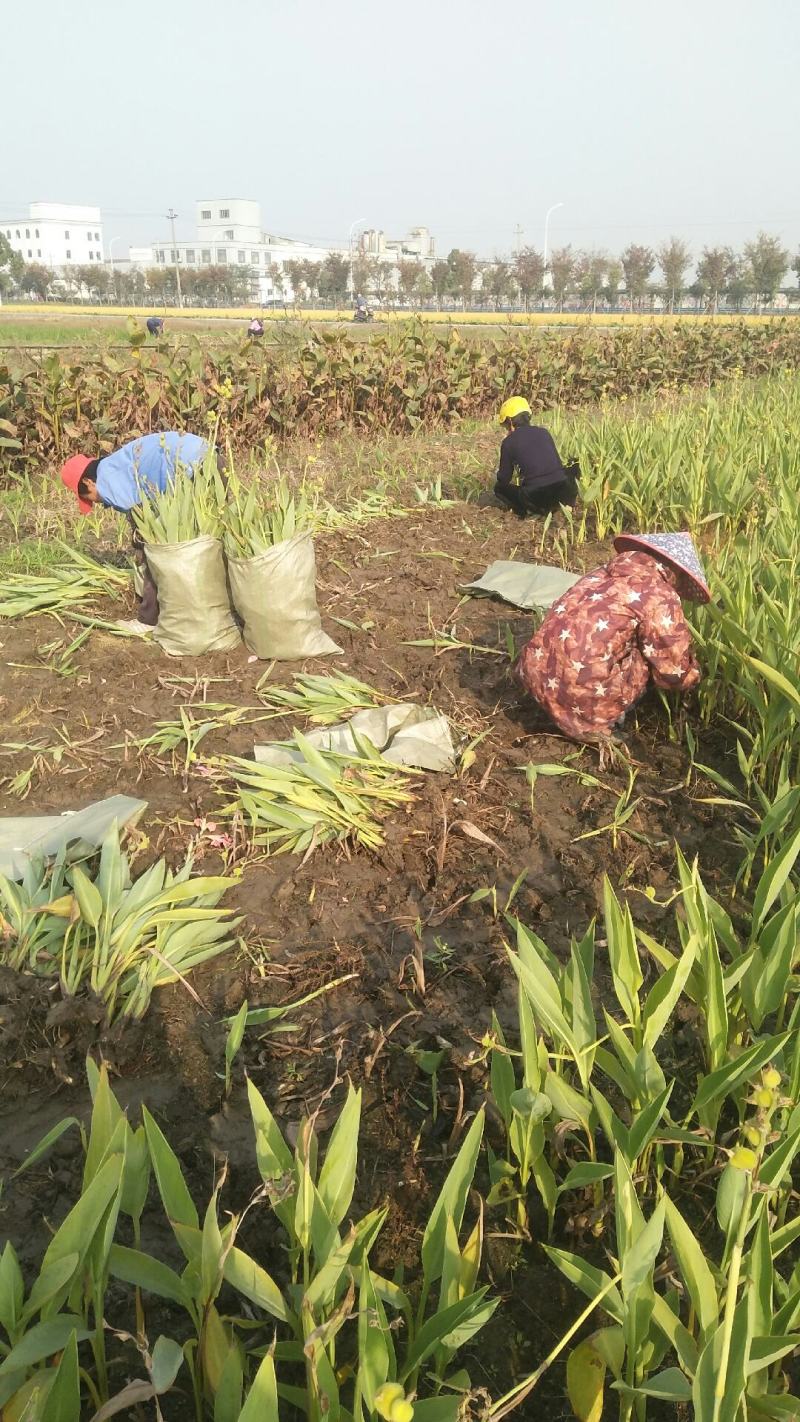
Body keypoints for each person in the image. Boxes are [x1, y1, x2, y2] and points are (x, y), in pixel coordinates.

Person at [515, 532, 708, 755]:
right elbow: (673, 671)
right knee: (648, 654)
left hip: (531, 673)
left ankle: (557, 704)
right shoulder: (659, 594)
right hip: (581, 696)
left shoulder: (600, 573)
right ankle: (598, 722)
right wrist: (696, 677)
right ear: (677, 573)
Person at [59, 432, 211, 631]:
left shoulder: (107, 479)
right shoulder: (118, 464)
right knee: (209, 541)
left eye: (89, 497)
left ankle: (148, 620)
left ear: (88, 482)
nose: (95, 502)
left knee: (154, 548)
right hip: (210, 457)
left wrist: (140, 549)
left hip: (192, 469)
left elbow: (145, 526)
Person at [493, 397, 579, 516]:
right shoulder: (544, 432)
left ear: (510, 421)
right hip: (563, 494)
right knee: (573, 463)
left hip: (537, 500)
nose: (507, 430)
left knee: (499, 488)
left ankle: (523, 512)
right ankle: (567, 506)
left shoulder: (509, 442)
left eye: (506, 426)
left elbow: (504, 479)